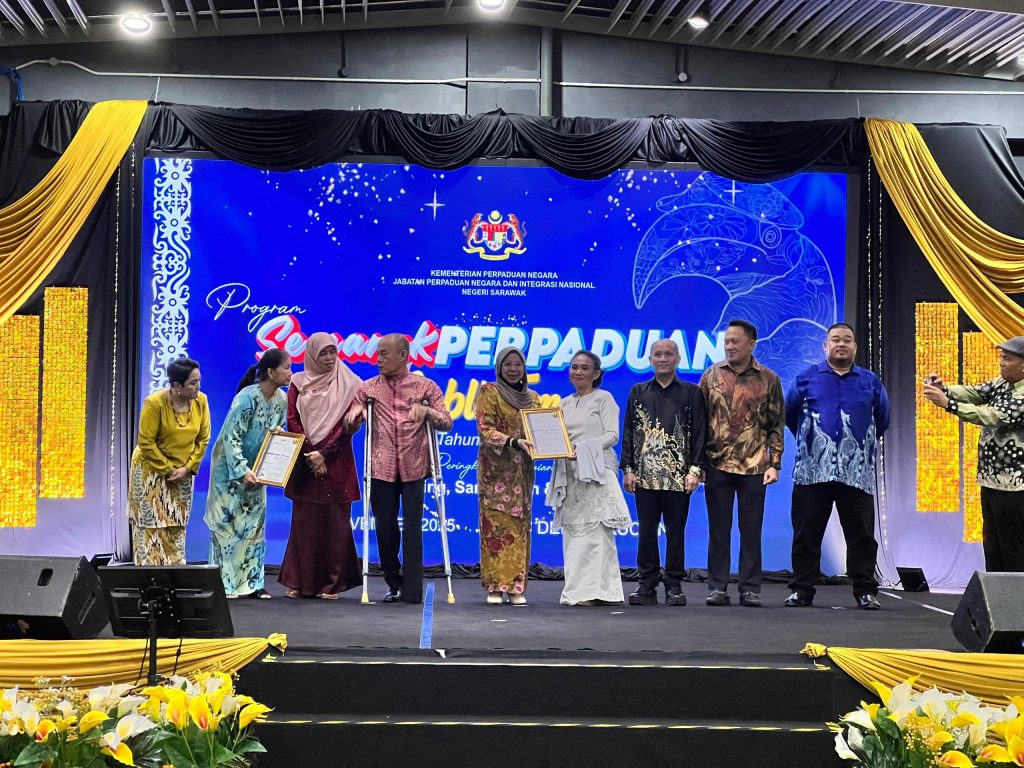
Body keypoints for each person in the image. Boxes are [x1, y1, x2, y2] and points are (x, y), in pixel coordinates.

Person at [784, 322, 890, 609]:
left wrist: (857, 447)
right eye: (835, 340)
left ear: (855, 346)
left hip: (856, 473)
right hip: (812, 472)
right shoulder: (806, 378)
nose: (841, 344)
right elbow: (790, 415)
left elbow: (883, 419)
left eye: (847, 340)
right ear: (825, 346)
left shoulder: (870, 381)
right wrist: (812, 445)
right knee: (806, 535)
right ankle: (802, 590)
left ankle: (865, 591)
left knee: (862, 537)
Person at [348, 333, 453, 604]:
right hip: (380, 467)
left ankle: (412, 590)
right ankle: (393, 582)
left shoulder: (425, 387)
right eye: (378, 354)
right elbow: (352, 421)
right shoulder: (368, 389)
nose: (378, 359)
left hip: (414, 466)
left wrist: (427, 412)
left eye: (384, 354)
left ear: (403, 355)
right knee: (385, 528)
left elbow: (446, 421)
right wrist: (354, 418)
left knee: (413, 528)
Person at [699, 320, 784, 608]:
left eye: (735, 341)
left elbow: (776, 423)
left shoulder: (769, 379)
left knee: (751, 530)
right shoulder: (711, 375)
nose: (729, 346)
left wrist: (774, 463)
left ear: (751, 344)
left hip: (755, 466)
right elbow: (700, 421)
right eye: (726, 341)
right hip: (716, 463)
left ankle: (749, 589)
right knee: (718, 530)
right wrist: (698, 463)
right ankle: (717, 587)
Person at [923, 335, 1024, 572]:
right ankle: (997, 594)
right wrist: (945, 389)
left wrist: (948, 404)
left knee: (1014, 550)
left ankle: (1017, 595)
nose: (1001, 362)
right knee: (993, 548)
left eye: (1007, 359)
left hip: (1015, 489)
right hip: (991, 483)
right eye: (1001, 357)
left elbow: (992, 416)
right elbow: (976, 392)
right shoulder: (1002, 382)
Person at [620, 339, 706, 606]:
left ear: (678, 359)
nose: (663, 358)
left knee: (675, 532)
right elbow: (629, 431)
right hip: (644, 477)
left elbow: (700, 432)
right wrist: (628, 469)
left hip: (679, 477)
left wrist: (695, 470)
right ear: (650, 359)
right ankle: (646, 585)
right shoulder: (638, 391)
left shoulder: (692, 392)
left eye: (668, 354)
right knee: (646, 532)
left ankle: (674, 586)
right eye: (657, 354)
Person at [278, 332, 363, 599]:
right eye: (323, 353)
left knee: (336, 526)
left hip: (337, 462)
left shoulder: (351, 383)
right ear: (312, 355)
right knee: (304, 525)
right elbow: (292, 421)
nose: (329, 358)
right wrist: (311, 454)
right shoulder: (298, 382)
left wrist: (324, 454)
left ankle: (332, 584)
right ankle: (301, 582)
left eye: (332, 352)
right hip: (306, 463)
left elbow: (347, 427)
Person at [204, 348, 292, 599]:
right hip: (229, 470)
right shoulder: (247, 397)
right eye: (286, 368)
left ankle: (253, 582)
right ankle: (225, 583)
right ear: (270, 372)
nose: (290, 373)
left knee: (254, 524)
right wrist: (242, 470)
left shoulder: (282, 399)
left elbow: (276, 432)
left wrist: (274, 458)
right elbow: (231, 437)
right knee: (227, 525)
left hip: (257, 469)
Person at [548, 350, 631, 606]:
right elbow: (556, 438)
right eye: (574, 367)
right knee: (574, 534)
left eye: (585, 368)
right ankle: (578, 591)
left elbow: (612, 435)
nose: (578, 372)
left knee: (596, 533)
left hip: (596, 471)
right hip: (570, 473)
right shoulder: (563, 404)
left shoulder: (603, 398)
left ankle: (600, 592)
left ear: (596, 374)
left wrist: (583, 449)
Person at [128, 357, 211, 565]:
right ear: (177, 386)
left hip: (183, 473)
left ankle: (175, 572)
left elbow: (203, 439)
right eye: (193, 383)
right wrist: (167, 469)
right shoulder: (154, 403)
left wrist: (187, 468)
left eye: (199, 381)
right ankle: (148, 574)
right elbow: (146, 442)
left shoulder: (201, 401)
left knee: (176, 524)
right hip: (151, 470)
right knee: (150, 526)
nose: (198, 387)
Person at [475, 347, 539, 605]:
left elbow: (539, 430)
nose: (513, 369)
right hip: (496, 473)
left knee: (520, 528)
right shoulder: (489, 392)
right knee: (496, 528)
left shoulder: (532, 397)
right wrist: (513, 441)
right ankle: (495, 587)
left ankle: (516, 587)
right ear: (499, 367)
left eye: (518, 364)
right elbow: (485, 429)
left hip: (522, 473)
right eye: (508, 364)